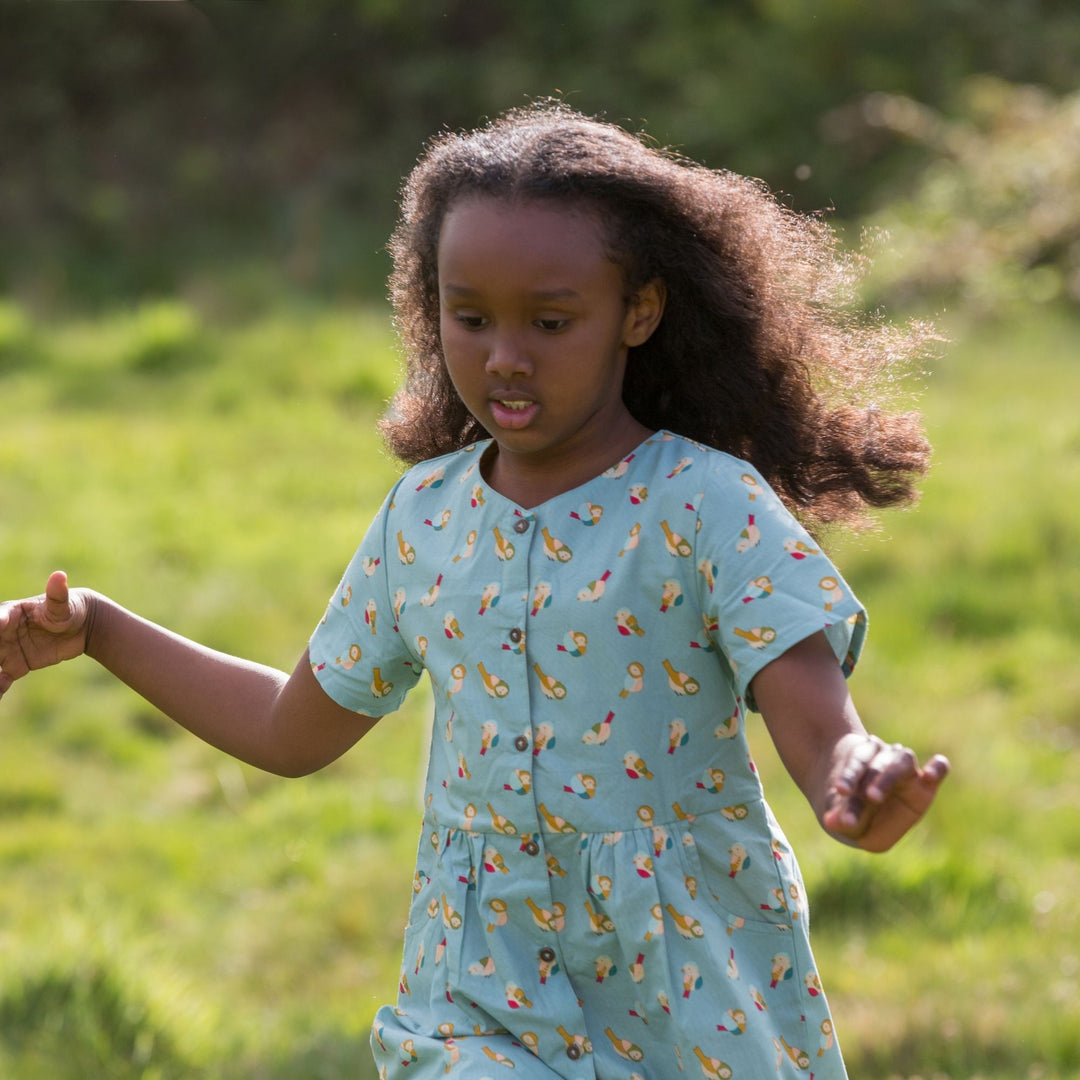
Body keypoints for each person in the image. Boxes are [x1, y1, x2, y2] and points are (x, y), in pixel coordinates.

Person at [0, 102, 949, 1079]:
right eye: (470, 316)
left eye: (549, 320)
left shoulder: (708, 504)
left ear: (640, 311)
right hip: (478, 994)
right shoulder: (425, 517)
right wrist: (98, 631)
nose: (504, 354)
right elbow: (291, 728)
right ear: (428, 305)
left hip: (691, 988)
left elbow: (811, 711)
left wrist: (853, 778)